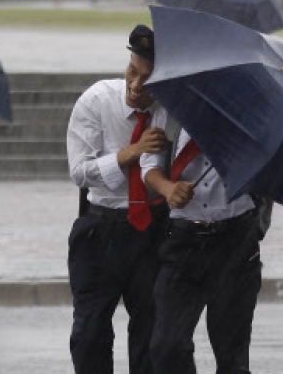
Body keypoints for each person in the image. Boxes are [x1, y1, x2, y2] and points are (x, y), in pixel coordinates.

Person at [65, 24, 169, 374]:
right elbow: (80, 170)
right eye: (132, 72)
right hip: (101, 230)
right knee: (90, 335)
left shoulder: (172, 113)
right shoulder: (96, 101)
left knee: (151, 336)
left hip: (152, 231)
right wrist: (131, 153)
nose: (136, 86)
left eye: (149, 81)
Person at [141, 123, 262, 373]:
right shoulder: (171, 114)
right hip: (183, 240)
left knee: (232, 359)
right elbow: (149, 166)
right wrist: (168, 188)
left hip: (236, 239)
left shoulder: (253, 118)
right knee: (167, 347)